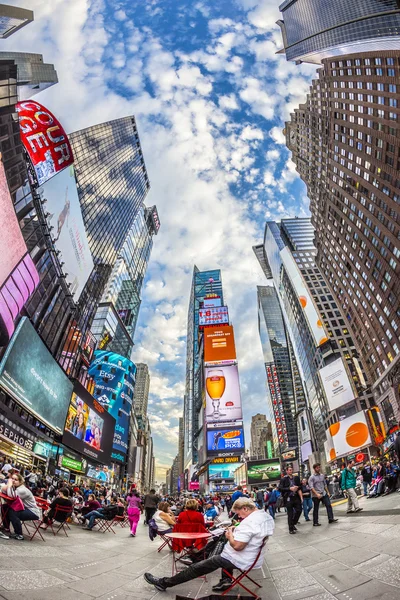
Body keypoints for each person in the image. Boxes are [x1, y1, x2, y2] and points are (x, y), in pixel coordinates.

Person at [144, 497, 274, 593]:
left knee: (197, 568)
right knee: (218, 541)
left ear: (245, 508)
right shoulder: (264, 516)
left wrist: (231, 536)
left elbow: (238, 546)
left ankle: (164, 583)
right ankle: (223, 578)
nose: (239, 517)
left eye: (239, 513)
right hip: (248, 557)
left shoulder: (250, 522)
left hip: (238, 559)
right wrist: (235, 530)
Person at [0, 472, 40, 540]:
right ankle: (6, 527)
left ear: (20, 482)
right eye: (12, 478)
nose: (13, 480)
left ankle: (19, 534)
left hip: (32, 511)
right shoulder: (15, 487)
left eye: (15, 479)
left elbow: (10, 495)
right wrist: (8, 485)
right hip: (24, 508)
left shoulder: (23, 490)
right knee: (5, 507)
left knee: (13, 512)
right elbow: (3, 490)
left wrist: (9, 484)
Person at [279, 466, 303, 534]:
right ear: (286, 471)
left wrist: (300, 496)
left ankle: (293, 523)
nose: (291, 471)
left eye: (291, 470)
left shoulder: (296, 478)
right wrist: (289, 489)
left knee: (299, 510)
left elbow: (300, 487)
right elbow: (280, 488)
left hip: (296, 497)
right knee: (290, 513)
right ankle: (291, 529)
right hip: (288, 498)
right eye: (289, 470)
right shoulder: (283, 479)